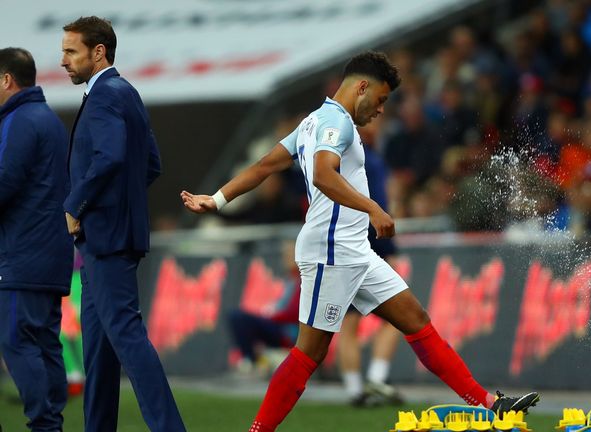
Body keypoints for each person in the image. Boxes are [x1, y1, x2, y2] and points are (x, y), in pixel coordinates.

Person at [181, 51, 539, 432]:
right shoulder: (337, 122)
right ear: (362, 87)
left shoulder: (312, 122)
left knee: (416, 320)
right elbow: (322, 174)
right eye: (382, 100)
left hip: (354, 251)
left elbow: (266, 164)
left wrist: (217, 199)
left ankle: (490, 405)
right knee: (309, 354)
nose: (382, 110)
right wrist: (373, 208)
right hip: (331, 252)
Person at [60, 17, 186, 432]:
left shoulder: (105, 96)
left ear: (98, 52)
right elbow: (151, 164)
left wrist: (78, 204)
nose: (63, 61)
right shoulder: (126, 93)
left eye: (71, 51)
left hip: (106, 240)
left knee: (127, 339)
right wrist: (121, 206)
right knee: (99, 351)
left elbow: (110, 157)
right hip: (110, 237)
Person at [0, 47, 72, 432]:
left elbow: (4, 182)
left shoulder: (18, 120)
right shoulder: (48, 119)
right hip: (50, 251)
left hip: (22, 254)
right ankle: (51, 422)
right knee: (44, 341)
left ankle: (44, 425)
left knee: (16, 339)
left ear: (6, 80)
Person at [338, 140, 404, 407]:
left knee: (349, 325)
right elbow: (377, 203)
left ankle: (354, 390)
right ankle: (377, 378)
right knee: (398, 315)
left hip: (341, 248)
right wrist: (389, 248)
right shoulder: (371, 163)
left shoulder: (334, 164)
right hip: (369, 246)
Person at [230, 241, 300, 375]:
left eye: (290, 254)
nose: (286, 258)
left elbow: (294, 313)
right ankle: (251, 360)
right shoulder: (290, 279)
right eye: (285, 255)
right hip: (279, 325)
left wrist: (271, 315)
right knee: (238, 317)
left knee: (238, 318)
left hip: (288, 331)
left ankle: (250, 361)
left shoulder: (303, 279)